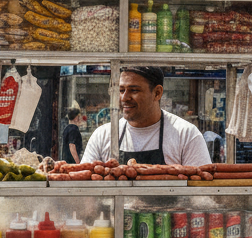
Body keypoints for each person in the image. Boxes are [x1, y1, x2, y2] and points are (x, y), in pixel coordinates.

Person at [80, 66, 210, 167]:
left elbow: (201, 193)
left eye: (134, 90)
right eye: (121, 90)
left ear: (157, 93)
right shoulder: (103, 135)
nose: (124, 98)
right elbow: (86, 192)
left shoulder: (186, 134)